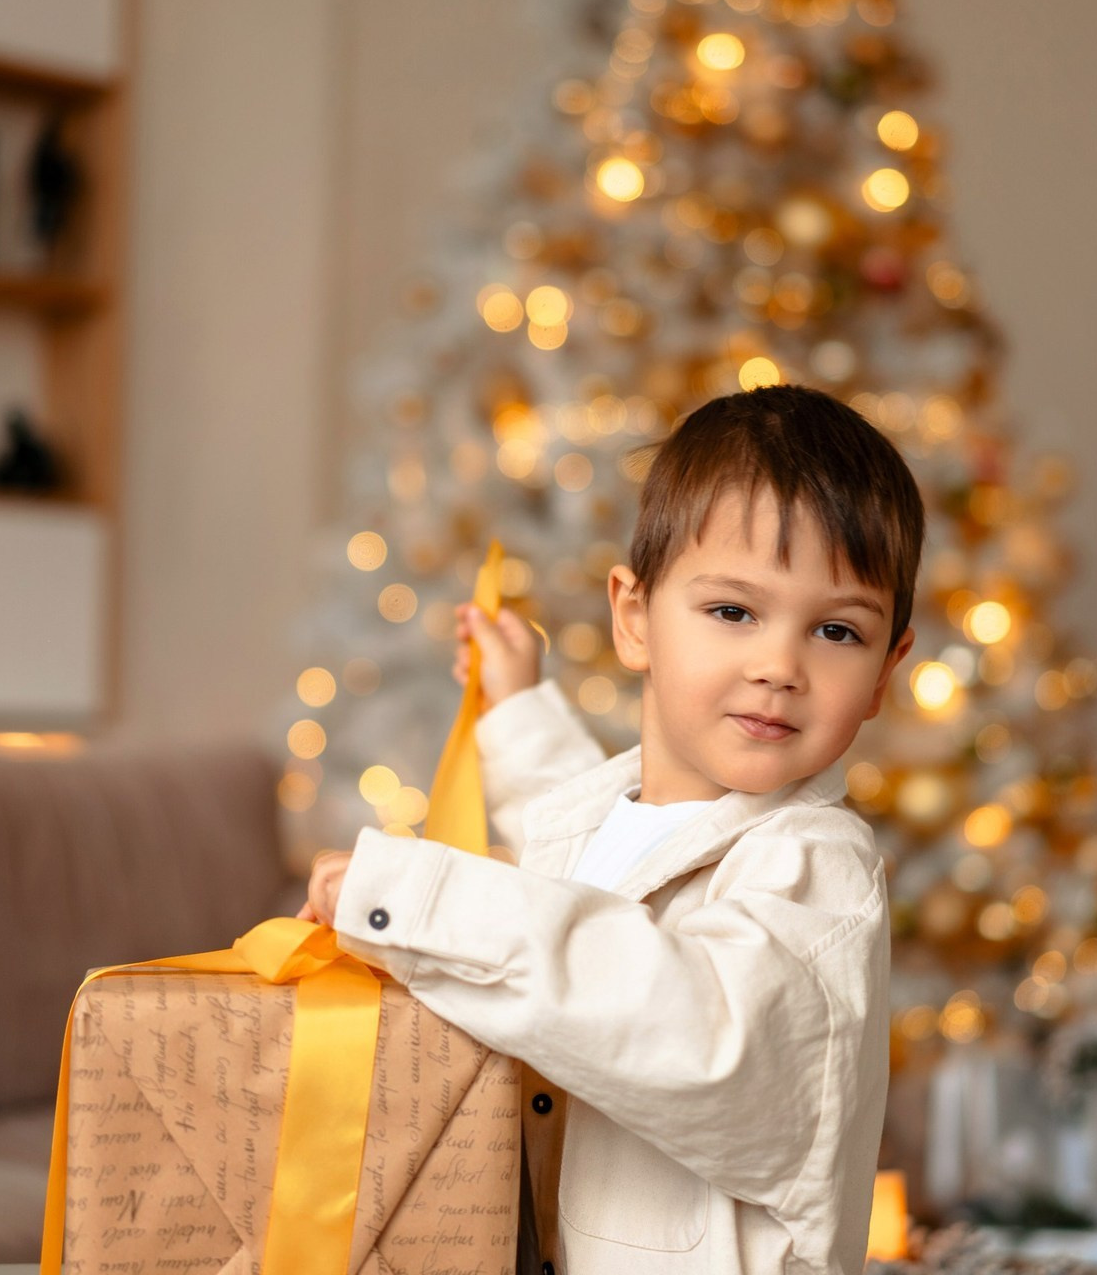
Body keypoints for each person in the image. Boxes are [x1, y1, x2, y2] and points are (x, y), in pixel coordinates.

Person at [301, 384, 925, 1275]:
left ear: (883, 672)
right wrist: (515, 703)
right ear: (635, 619)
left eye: (835, 630)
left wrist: (417, 901)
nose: (778, 666)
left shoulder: (815, 868)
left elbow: (676, 1017)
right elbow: (581, 859)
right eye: (733, 612)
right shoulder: (609, 813)